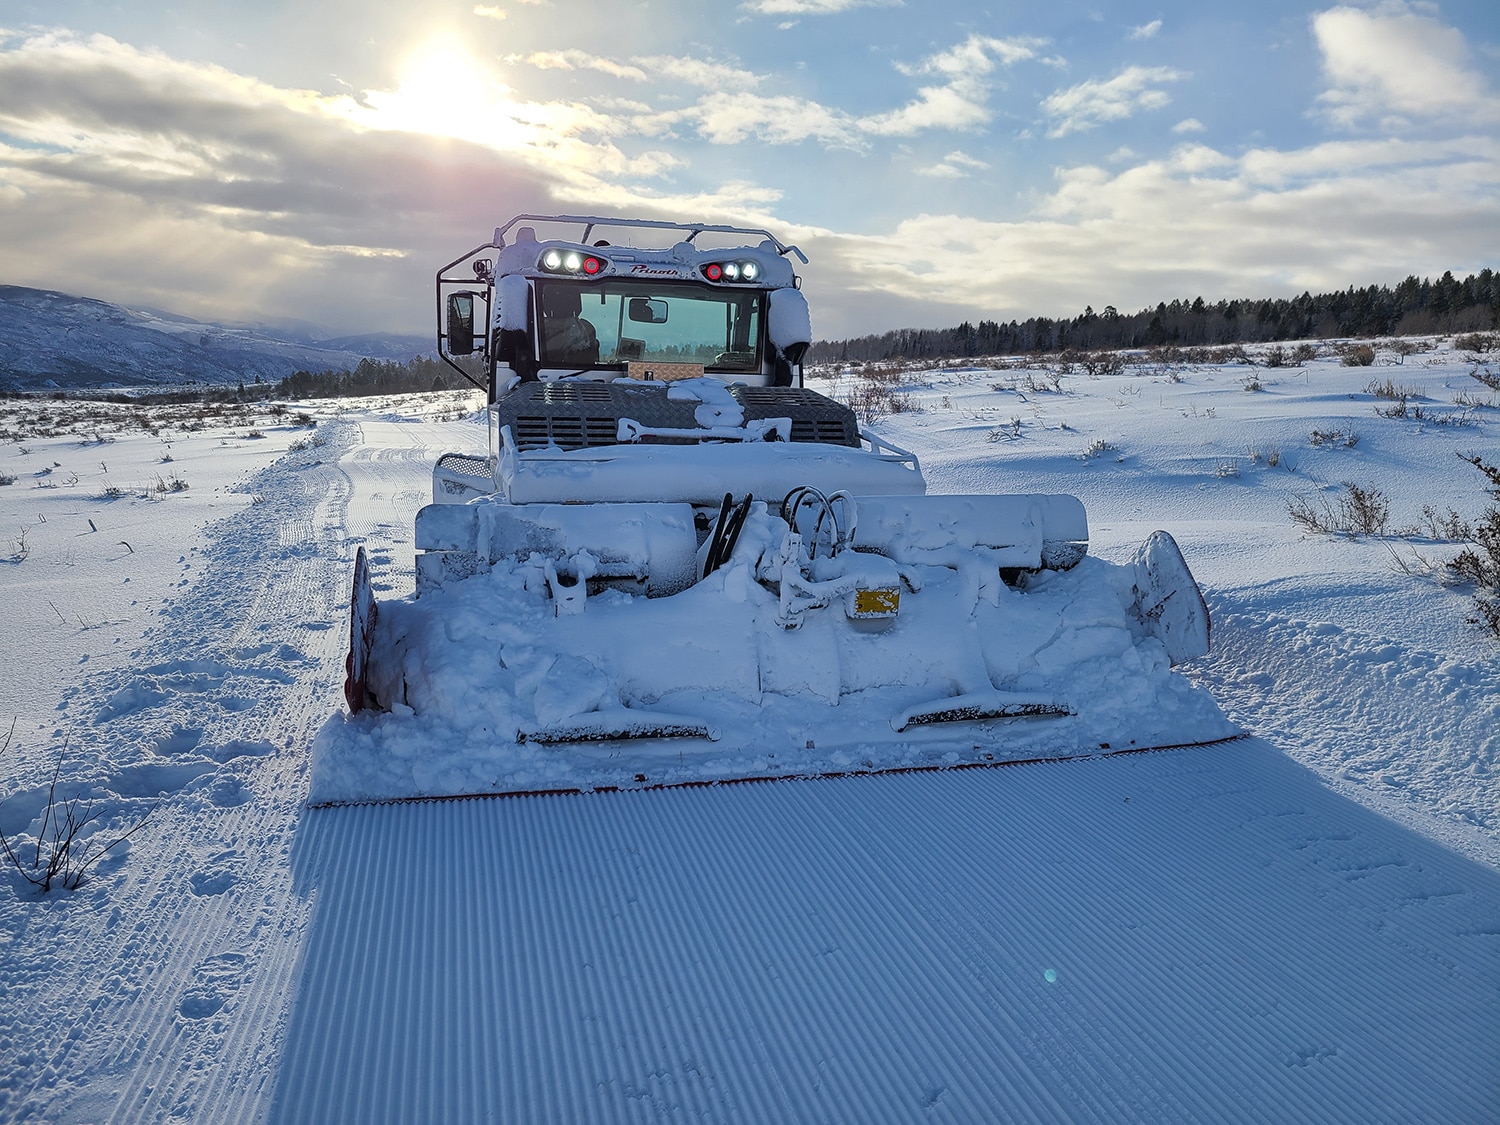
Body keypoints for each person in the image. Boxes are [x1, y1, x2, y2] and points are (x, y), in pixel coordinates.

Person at [540, 287, 599, 365]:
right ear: (577, 304)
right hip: (583, 373)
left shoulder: (539, 327)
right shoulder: (586, 328)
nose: (562, 304)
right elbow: (592, 359)